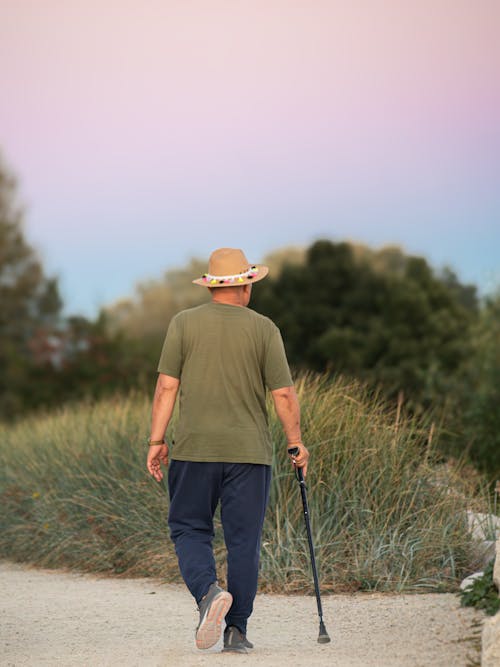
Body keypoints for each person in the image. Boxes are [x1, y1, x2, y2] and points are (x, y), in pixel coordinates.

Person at [146, 247, 309, 654]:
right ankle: (236, 631)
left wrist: (156, 440)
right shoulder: (264, 328)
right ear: (247, 285)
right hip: (249, 454)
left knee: (188, 527)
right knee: (243, 541)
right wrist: (295, 443)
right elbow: (284, 394)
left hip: (193, 450)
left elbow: (167, 386)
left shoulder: (183, 324)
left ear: (213, 285)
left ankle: (207, 594)